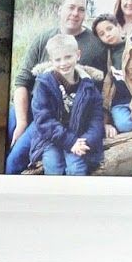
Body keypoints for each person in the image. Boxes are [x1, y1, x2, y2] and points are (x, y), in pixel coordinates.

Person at [7, 0, 108, 174]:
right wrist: (21, 121)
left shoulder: (95, 46)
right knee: (8, 128)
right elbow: (22, 81)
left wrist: (105, 121)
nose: (75, 13)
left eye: (81, 9)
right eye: (71, 7)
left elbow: (100, 92)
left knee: (14, 160)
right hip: (36, 106)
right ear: (59, 10)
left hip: (65, 115)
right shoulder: (43, 39)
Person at [27, 34, 105, 175]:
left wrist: (85, 141)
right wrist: (70, 141)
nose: (63, 63)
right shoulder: (44, 84)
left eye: (68, 57)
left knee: (76, 167)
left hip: (80, 136)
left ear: (78, 55)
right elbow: (43, 120)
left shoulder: (89, 85)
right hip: (51, 138)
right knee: (53, 165)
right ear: (51, 61)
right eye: (58, 59)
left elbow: (97, 118)